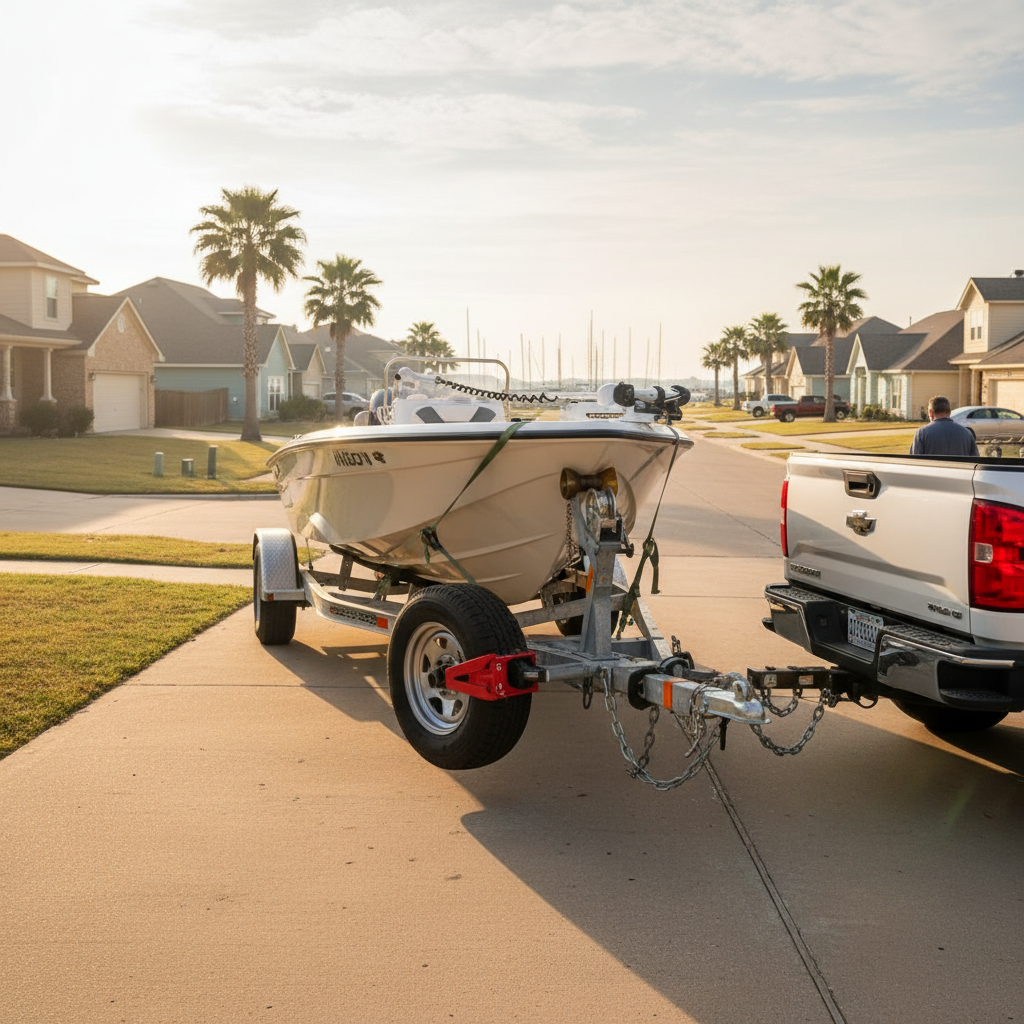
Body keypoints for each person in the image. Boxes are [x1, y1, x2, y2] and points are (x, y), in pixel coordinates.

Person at [909, 396, 979, 457]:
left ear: (930, 413)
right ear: (949, 412)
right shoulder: (967, 433)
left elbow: (914, 462)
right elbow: (976, 462)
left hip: (931, 472)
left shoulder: (922, 433)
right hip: (960, 472)